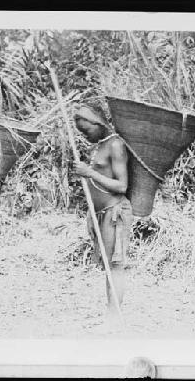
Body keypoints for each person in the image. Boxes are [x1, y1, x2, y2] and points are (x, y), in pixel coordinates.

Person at [72, 103, 133, 319]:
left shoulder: (115, 144)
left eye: (86, 131)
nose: (85, 136)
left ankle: (114, 315)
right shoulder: (100, 145)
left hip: (115, 212)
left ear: (96, 123)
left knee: (115, 266)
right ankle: (111, 312)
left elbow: (122, 186)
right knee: (108, 266)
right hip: (102, 214)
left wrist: (90, 173)